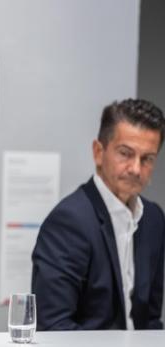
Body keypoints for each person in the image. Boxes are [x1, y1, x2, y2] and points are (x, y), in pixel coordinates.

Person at [32, 99, 165, 330]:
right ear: (98, 152)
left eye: (147, 159)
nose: (135, 168)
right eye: (125, 153)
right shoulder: (68, 221)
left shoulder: (153, 218)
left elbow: (151, 319)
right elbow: (54, 328)